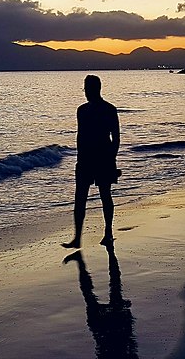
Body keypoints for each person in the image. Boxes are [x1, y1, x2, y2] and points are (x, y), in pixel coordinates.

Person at [63, 75, 121, 249]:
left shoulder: (109, 110)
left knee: (104, 195)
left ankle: (108, 232)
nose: (86, 92)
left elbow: (116, 138)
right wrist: (79, 160)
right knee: (80, 198)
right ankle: (77, 237)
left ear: (96, 89)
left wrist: (112, 160)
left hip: (102, 158)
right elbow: (80, 137)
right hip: (87, 160)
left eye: (88, 89)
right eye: (85, 89)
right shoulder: (82, 110)